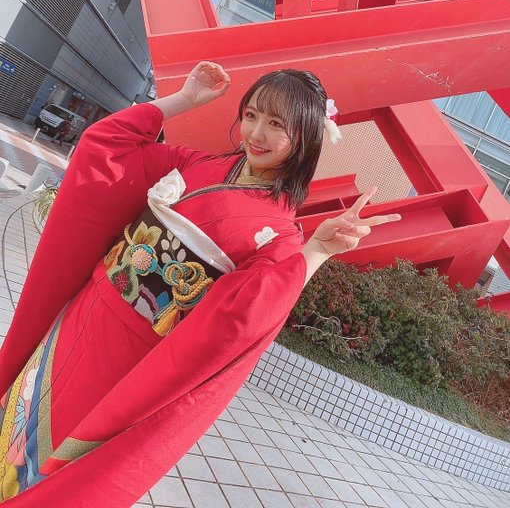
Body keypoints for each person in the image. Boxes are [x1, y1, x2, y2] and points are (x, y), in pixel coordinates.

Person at [0, 62, 401, 505]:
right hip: (81, 315)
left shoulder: (282, 237)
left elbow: (245, 315)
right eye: (251, 115)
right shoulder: (198, 164)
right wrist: (184, 100)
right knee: (18, 411)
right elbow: (106, 146)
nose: (256, 134)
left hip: (130, 354)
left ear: (305, 137)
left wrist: (317, 251)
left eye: (276, 125)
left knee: (51, 453)